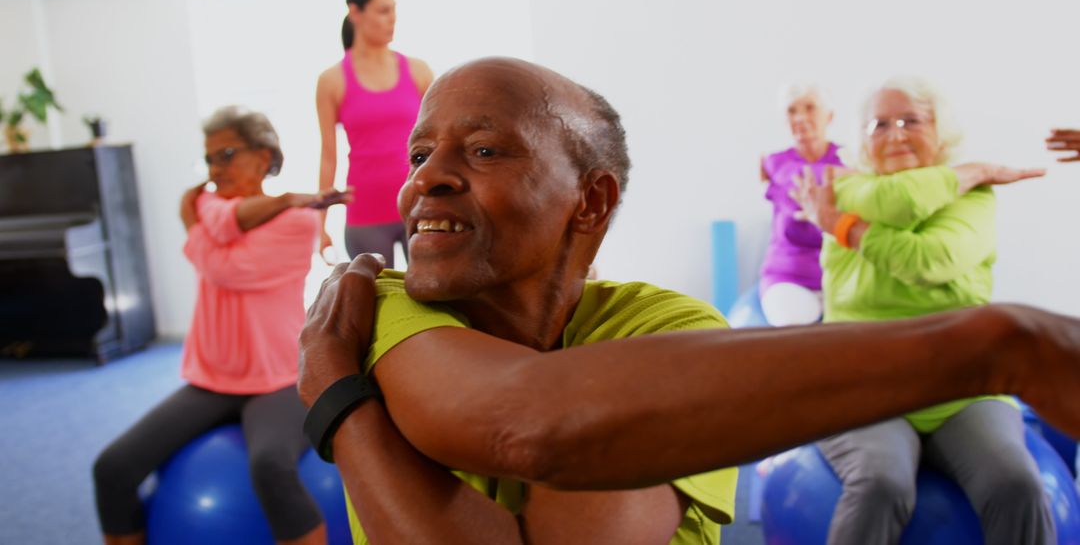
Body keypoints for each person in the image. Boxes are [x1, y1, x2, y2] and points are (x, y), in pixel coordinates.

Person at [296, 58, 1080, 545]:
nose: (425, 176)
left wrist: (339, 391)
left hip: (943, 389)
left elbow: (537, 423)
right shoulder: (384, 297)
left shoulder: (668, 328)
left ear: (590, 202)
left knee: (1011, 482)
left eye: (485, 149)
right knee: (880, 479)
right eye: (420, 152)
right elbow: (525, 420)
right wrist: (1000, 343)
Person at [792, 77, 1050, 545]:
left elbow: (930, 262)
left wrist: (843, 227)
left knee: (1018, 485)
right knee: (882, 484)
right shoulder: (844, 188)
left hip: (963, 384)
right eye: (879, 124)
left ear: (940, 129)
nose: (895, 134)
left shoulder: (972, 198)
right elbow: (906, 209)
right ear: (862, 140)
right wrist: (964, 172)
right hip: (863, 382)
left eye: (912, 119)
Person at [93, 107, 349, 545]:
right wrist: (205, 218)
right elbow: (212, 218)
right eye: (210, 158)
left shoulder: (298, 220)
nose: (216, 169)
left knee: (271, 467)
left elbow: (227, 270)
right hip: (213, 378)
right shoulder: (213, 204)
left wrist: (193, 226)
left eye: (227, 154)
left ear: (264, 155)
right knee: (113, 468)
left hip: (281, 377)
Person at [316, 0, 434, 265]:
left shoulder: (418, 71)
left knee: (434, 301)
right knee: (377, 305)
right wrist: (319, 225)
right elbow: (328, 157)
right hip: (365, 214)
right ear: (355, 12)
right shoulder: (331, 80)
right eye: (383, 11)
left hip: (419, 206)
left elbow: (439, 142)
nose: (392, 19)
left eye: (393, 9)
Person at [758, 83, 844, 326]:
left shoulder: (847, 157)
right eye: (791, 111)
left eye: (810, 108)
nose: (800, 118)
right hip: (788, 277)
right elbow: (797, 182)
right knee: (792, 327)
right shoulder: (777, 162)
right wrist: (854, 175)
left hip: (841, 276)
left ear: (829, 116)